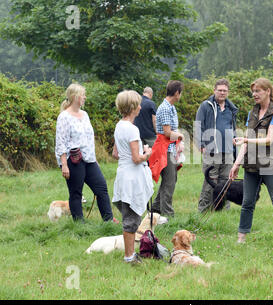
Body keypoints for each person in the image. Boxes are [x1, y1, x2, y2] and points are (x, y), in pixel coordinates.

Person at [229, 78, 273, 244]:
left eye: (258, 91)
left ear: (268, 91)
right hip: (251, 165)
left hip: (270, 164)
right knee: (247, 203)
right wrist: (237, 164)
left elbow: (269, 140)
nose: (254, 94)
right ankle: (241, 238)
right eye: (253, 92)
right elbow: (246, 142)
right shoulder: (252, 113)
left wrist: (247, 140)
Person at [55, 83, 117, 223]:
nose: (84, 97)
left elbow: (89, 140)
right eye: (83, 95)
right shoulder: (64, 117)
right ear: (75, 96)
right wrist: (64, 165)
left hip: (89, 160)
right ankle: (79, 225)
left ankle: (108, 221)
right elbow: (61, 142)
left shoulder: (85, 115)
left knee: (101, 188)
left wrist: (95, 161)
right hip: (73, 160)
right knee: (76, 193)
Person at [111, 90, 154, 264]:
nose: (140, 107)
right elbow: (137, 159)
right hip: (132, 177)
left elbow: (115, 154)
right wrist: (147, 153)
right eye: (138, 104)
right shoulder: (132, 129)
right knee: (132, 219)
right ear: (133, 108)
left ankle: (130, 254)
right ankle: (129, 256)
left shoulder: (119, 126)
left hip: (122, 174)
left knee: (129, 216)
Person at [195, 79, 238, 213]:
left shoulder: (231, 108)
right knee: (210, 181)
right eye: (219, 90)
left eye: (225, 90)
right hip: (212, 150)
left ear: (228, 92)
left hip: (228, 151)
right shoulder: (205, 106)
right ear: (214, 90)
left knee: (226, 182)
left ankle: (223, 211)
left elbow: (233, 128)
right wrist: (201, 144)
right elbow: (198, 126)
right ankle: (203, 211)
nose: (222, 93)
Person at [150, 80, 185, 218]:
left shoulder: (171, 107)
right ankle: (168, 214)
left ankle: (155, 209)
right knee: (169, 182)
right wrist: (181, 136)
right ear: (177, 93)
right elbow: (167, 133)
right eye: (180, 93)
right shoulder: (164, 108)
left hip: (171, 147)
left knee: (170, 179)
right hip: (165, 149)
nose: (180, 96)